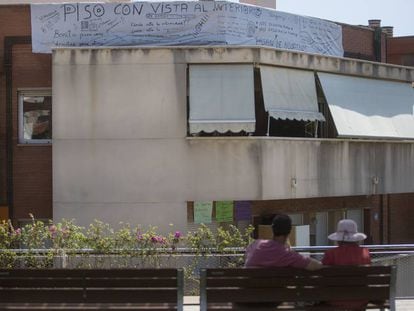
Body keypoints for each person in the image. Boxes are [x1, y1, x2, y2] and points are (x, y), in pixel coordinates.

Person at [322, 219, 371, 310]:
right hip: (360, 299)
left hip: (335, 299)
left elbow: (323, 276)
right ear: (356, 238)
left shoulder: (331, 254)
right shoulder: (365, 252)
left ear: (338, 239)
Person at [245, 214, 322, 270]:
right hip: (277, 291)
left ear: (272, 229)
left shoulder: (255, 245)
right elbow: (316, 265)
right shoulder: (286, 255)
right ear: (289, 232)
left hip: (249, 290)